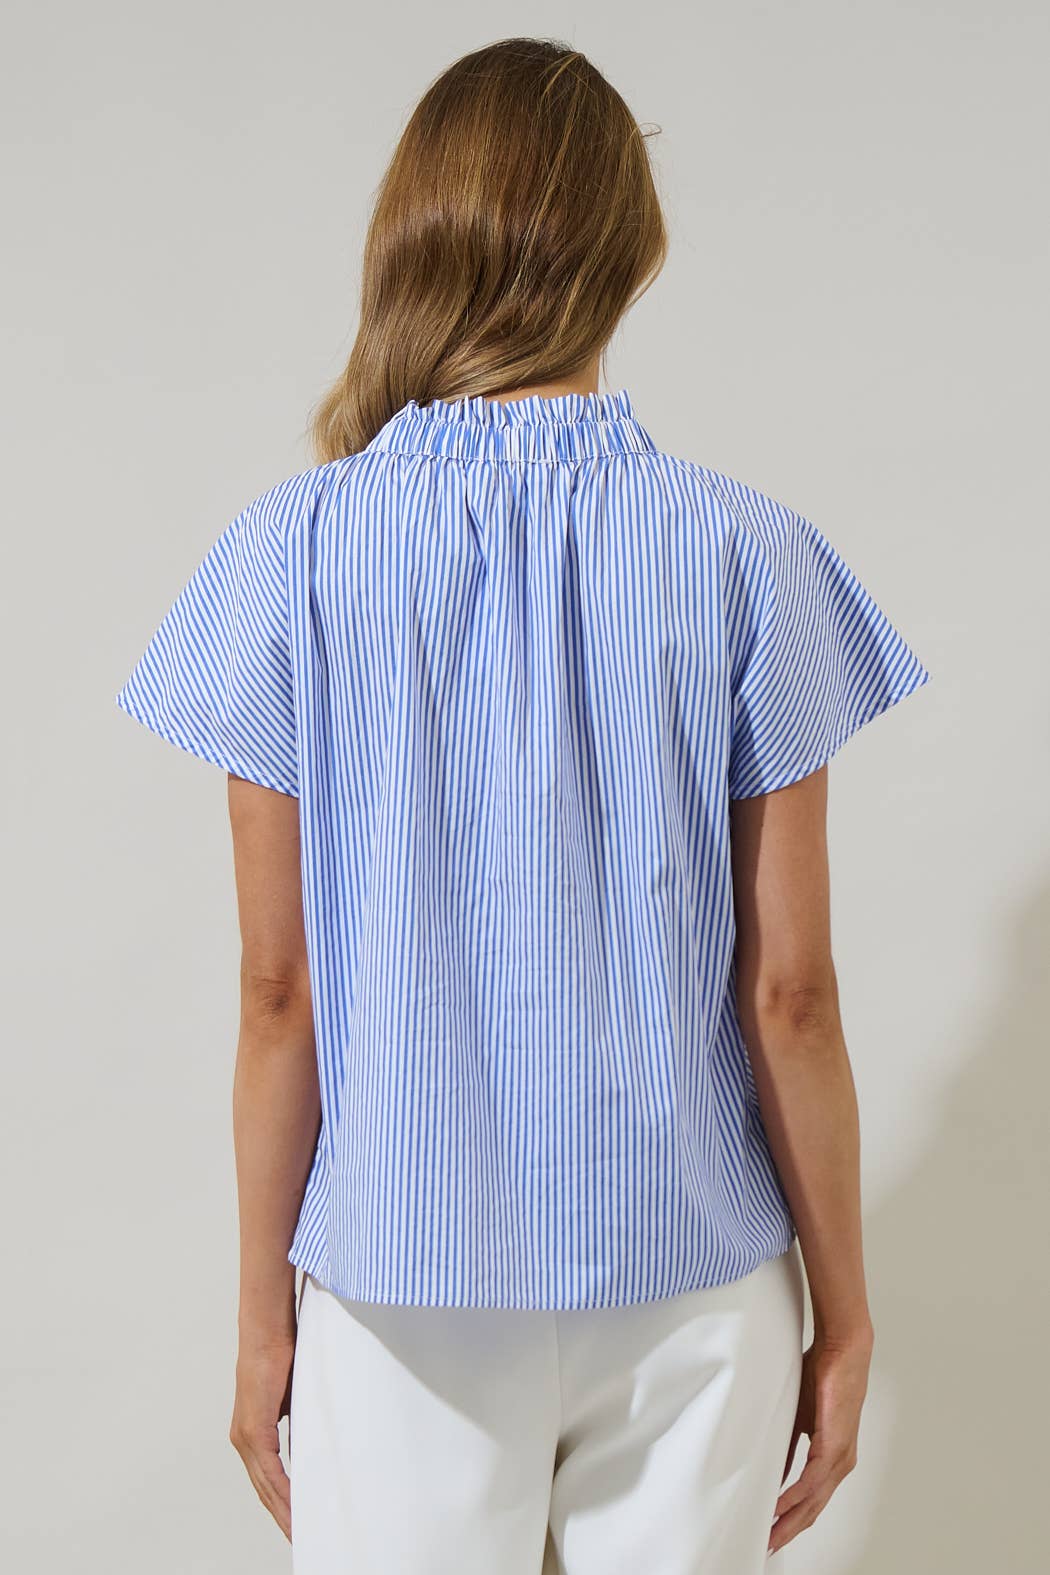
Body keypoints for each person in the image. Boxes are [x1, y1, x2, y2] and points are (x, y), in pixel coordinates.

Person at [113, 35, 931, 1575]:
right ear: (631, 250)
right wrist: (845, 1317)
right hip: (692, 1280)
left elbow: (279, 993)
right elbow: (791, 995)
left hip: (396, 1291)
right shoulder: (744, 553)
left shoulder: (288, 554)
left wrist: (260, 1317)